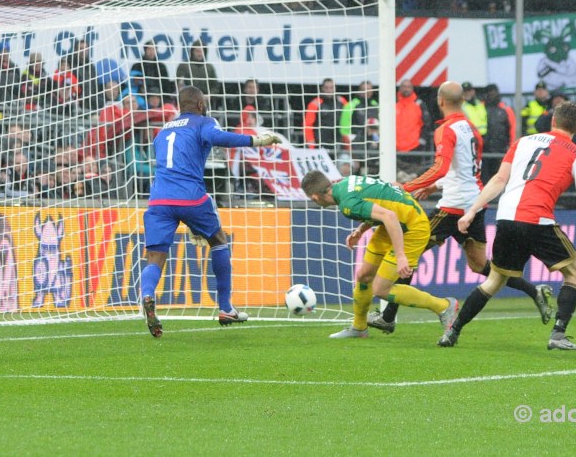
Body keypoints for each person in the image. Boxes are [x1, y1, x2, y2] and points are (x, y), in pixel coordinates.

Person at [368, 81, 551, 334]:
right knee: (480, 265)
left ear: (440, 101)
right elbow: (464, 170)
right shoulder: (471, 128)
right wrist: (434, 187)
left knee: (409, 252)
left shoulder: (447, 130)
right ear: (462, 101)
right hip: (474, 205)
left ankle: (388, 317)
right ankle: (534, 291)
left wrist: (407, 187)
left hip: (452, 208)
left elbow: (441, 167)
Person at [439, 101, 576, 350]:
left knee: (493, 281)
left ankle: (453, 331)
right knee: (575, 273)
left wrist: (471, 211)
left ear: (553, 120)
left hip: (506, 217)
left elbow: (499, 179)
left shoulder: (524, 141)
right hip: (537, 219)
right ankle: (558, 334)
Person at [139, 86, 281, 337]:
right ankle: (226, 308)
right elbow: (221, 138)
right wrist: (256, 140)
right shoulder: (203, 122)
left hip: (158, 200)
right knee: (218, 240)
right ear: (201, 105)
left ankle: (148, 295)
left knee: (155, 257)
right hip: (190, 197)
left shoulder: (162, 132)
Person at [301, 170, 459, 340]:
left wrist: (400, 256)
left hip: (413, 228)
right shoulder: (347, 182)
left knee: (381, 289)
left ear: (315, 197)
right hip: (393, 223)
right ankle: (359, 328)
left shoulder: (347, 204)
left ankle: (444, 306)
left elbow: (389, 216)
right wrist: (361, 230)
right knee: (364, 276)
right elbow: (392, 188)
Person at [303, 78, 347, 156]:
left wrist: (347, 143)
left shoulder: (342, 101)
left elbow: (348, 122)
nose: (329, 90)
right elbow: (307, 125)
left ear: (335, 88)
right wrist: (311, 144)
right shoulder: (315, 104)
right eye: (326, 88)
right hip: (320, 143)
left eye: (331, 87)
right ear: (322, 88)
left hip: (339, 142)